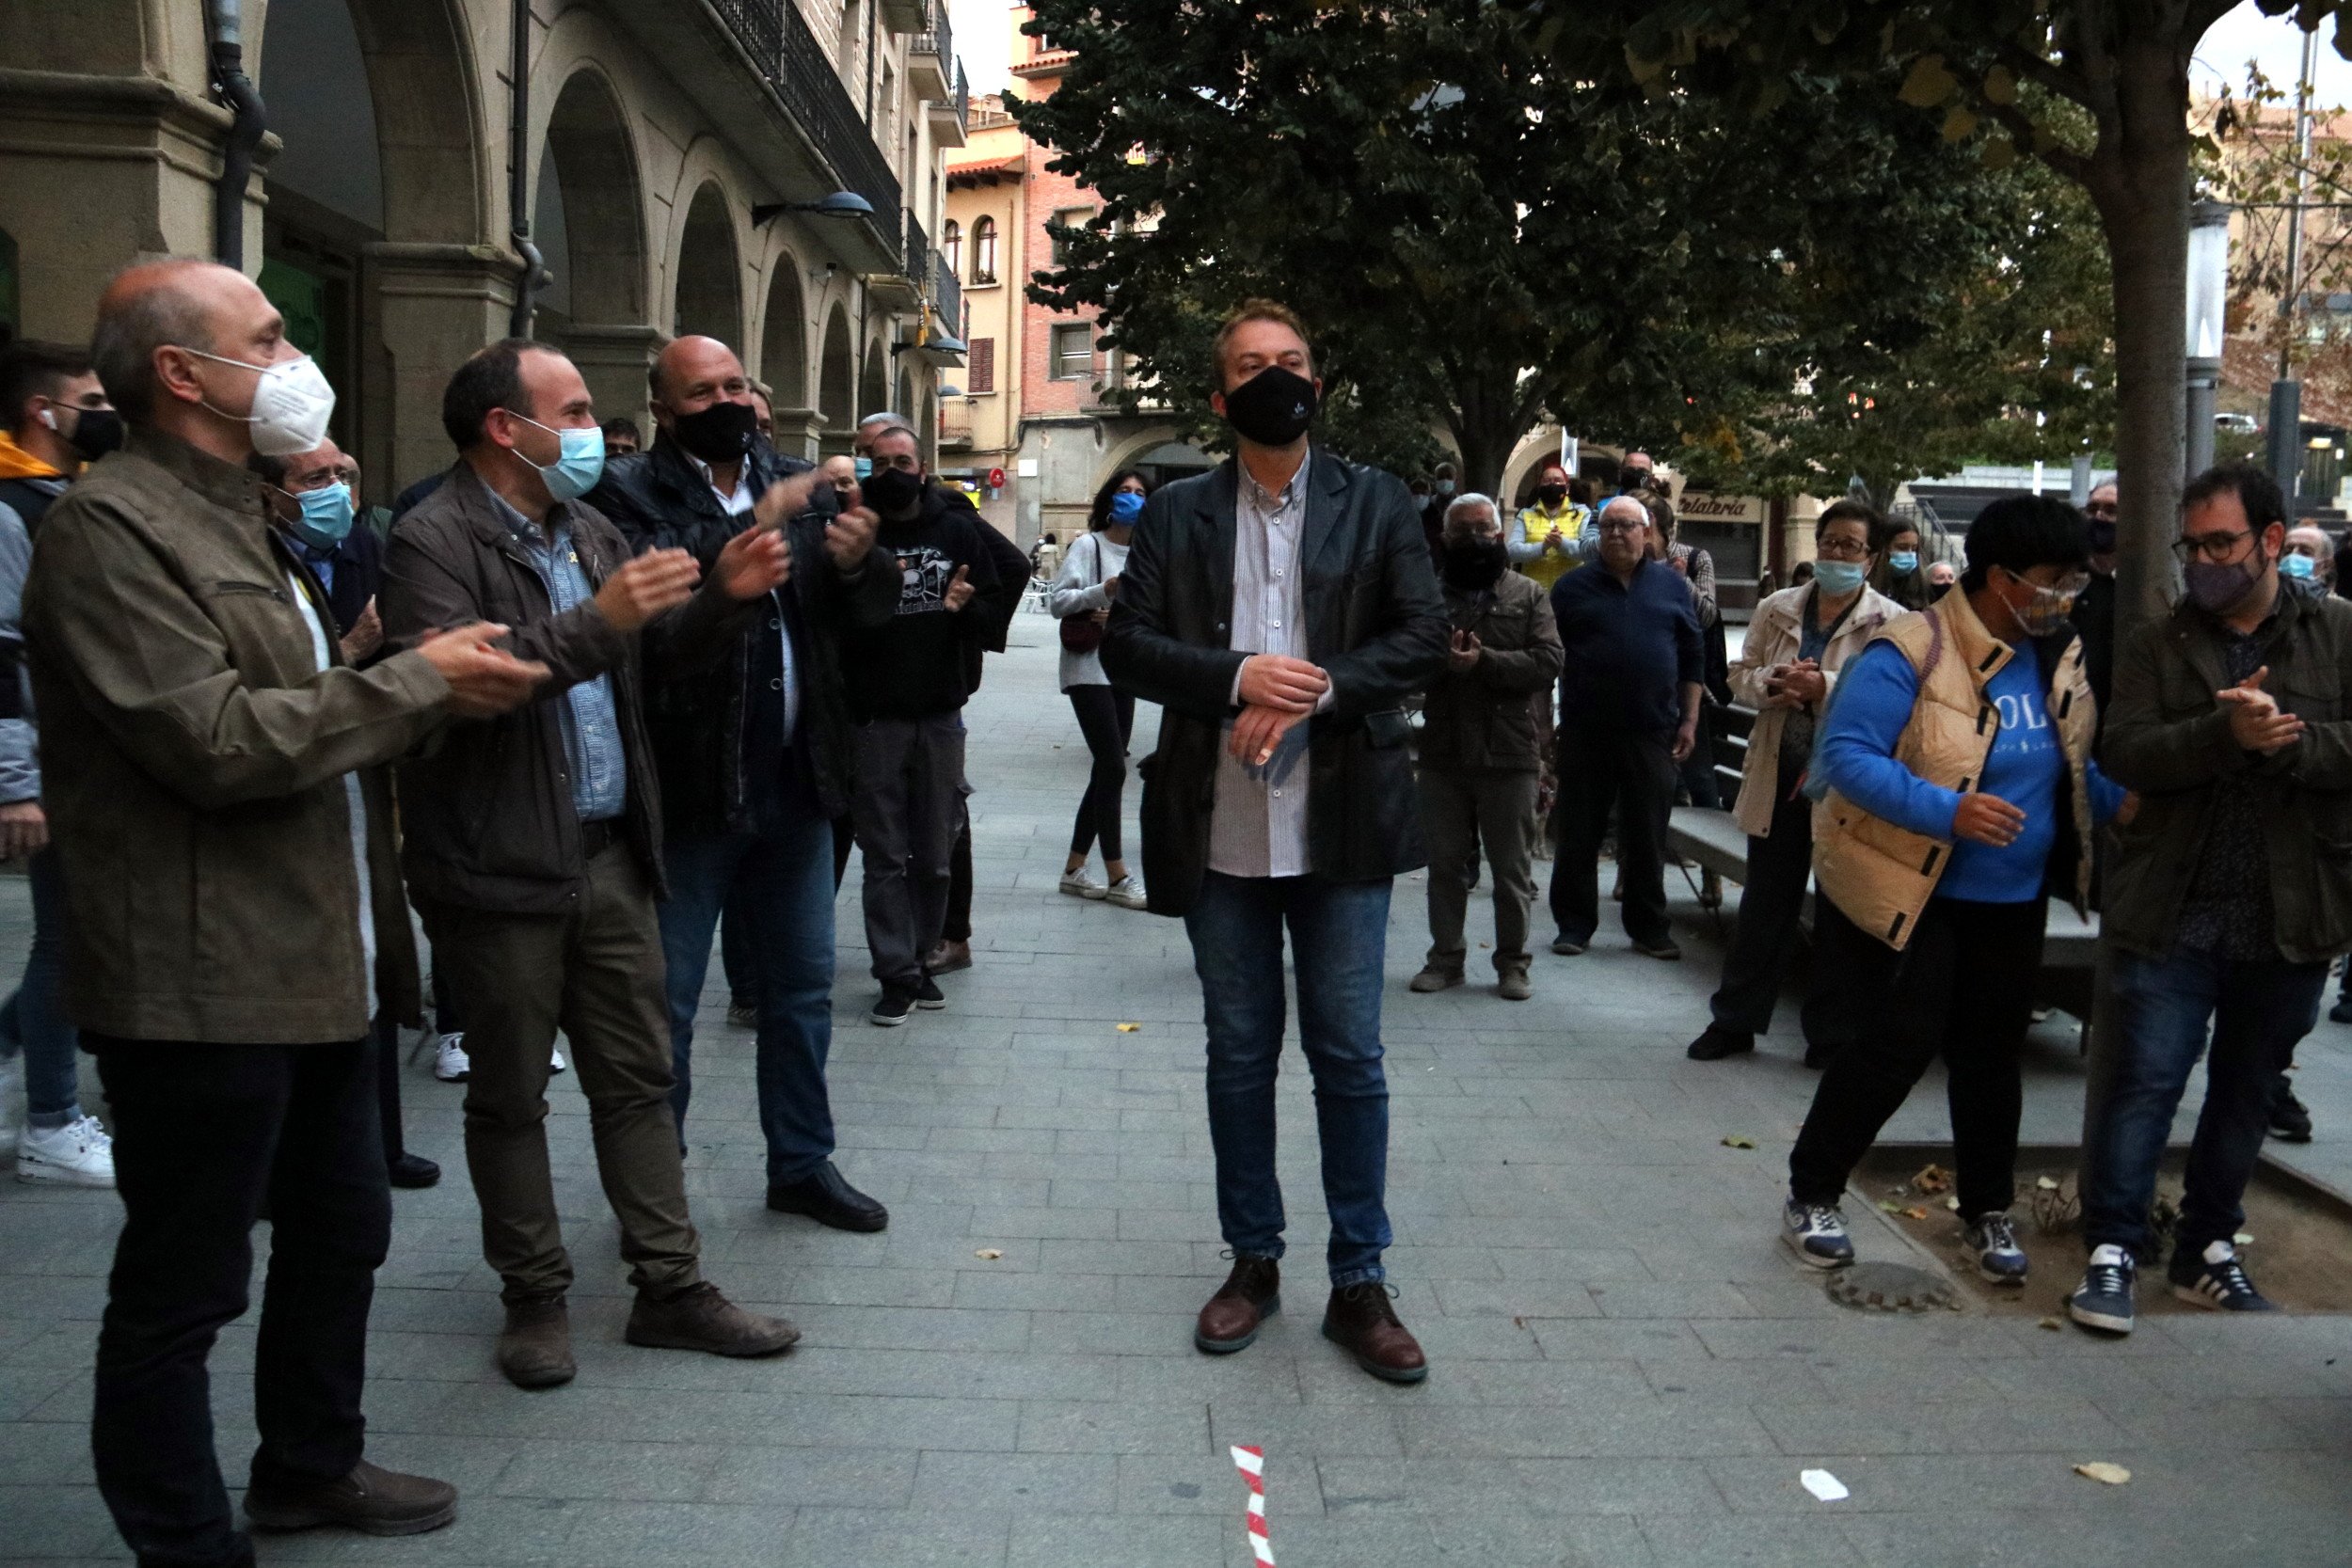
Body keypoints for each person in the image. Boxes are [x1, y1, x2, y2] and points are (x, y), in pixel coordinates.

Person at [35, 259, 551, 1563]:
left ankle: (308, 1463)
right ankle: (183, 1532)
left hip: (323, 960)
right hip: (200, 978)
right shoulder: (113, 530)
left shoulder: (247, 517)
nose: (290, 353)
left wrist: (393, 667)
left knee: (342, 1228)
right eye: (264, 336)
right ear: (181, 372)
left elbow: (296, 712)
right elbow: (210, 739)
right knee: (187, 1281)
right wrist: (409, 685)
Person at [382, 337, 802, 1389]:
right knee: (510, 1095)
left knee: (637, 1079)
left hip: (613, 853)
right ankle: (535, 1295)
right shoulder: (431, 536)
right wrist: (597, 619)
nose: (587, 428)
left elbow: (648, 661)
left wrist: (720, 600)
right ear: (503, 427)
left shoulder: (590, 526)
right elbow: (465, 680)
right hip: (500, 865)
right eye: (568, 410)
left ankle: (671, 1285)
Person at [1103, 299, 1447, 1384]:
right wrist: (1240, 678)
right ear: (1220, 398)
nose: (1273, 377)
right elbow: (1129, 645)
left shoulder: (1377, 499)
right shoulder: (1175, 513)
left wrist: (1318, 691)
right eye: (1250, 366)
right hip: (1218, 830)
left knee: (1348, 1053)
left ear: (1316, 382)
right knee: (1239, 1054)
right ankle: (1253, 1258)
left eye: (1290, 361)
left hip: (1339, 818)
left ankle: (1360, 1277)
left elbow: (1423, 636)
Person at [587, 334, 897, 1232]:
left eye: (735, 385)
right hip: (689, 796)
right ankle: (656, 1184)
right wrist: (753, 528)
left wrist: (859, 558)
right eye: (701, 391)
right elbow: (660, 639)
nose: (725, 401)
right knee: (669, 1006)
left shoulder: (799, 482)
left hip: (797, 788)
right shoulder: (625, 496)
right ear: (661, 408)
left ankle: (801, 1162)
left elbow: (864, 618)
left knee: (801, 993)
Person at [1783, 495, 2125, 1283]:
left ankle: (1986, 1207)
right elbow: (1848, 758)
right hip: (1920, 892)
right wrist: (1950, 810)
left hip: (2013, 899)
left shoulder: (2054, 652)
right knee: (1894, 1046)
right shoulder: (1910, 650)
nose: (2064, 595)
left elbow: (2068, 765)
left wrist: (2118, 796)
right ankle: (1813, 1190)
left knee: (1990, 1056)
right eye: (2052, 579)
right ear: (2001, 577)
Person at [2070, 463, 2350, 1332]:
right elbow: (2127, 752)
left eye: (2219, 543)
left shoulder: (2338, 632)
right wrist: (2223, 734)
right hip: (2174, 906)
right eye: (2192, 545)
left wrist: (2288, 744)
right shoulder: (2158, 638)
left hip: (2290, 909)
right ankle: (2113, 1249)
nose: (2203, 560)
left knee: (2247, 1087)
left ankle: (2207, 1250)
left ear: (2272, 541)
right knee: (2144, 1081)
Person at [250, 436, 440, 1190]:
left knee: (373, 966)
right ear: (268, 493)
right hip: (293, 801)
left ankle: (380, 1146)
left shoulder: (362, 543)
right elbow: (271, 696)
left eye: (343, 473)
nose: (336, 488)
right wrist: (349, 647)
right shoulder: (254, 565)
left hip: (359, 786)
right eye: (315, 477)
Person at [1687, 501, 1901, 1062]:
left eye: (1850, 546)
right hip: (1778, 775)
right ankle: (1734, 1021)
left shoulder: (1892, 621)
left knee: (1838, 912)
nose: (1835, 553)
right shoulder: (1777, 607)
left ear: (1871, 558)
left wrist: (1824, 686)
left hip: (1842, 787)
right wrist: (1774, 682)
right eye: (1828, 542)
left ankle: (1830, 1035)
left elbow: (1892, 698)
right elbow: (1737, 675)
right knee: (1765, 907)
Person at [838, 424, 1015, 1023]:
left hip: (941, 716)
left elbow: (995, 601)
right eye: (878, 462)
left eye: (902, 461)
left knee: (936, 853)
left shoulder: (957, 529)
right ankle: (895, 973)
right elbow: (833, 616)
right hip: (876, 720)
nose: (891, 471)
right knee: (885, 855)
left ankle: (920, 957)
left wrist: (967, 613)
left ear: (923, 466)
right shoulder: (856, 533)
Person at [0, 340, 119, 1184]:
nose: (106, 411)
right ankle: (50, 1120)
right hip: (47, 766)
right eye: (92, 397)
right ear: (45, 411)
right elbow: (2, 651)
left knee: (75, 936)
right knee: (64, 942)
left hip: (80, 760)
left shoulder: (64, 498)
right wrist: (20, 784)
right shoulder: (13, 511)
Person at [1410, 493, 1563, 1000]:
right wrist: (1440, 662)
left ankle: (1513, 964)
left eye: (1484, 529)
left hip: (1510, 749)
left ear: (1500, 533)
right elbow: (1400, 662)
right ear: (1445, 539)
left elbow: (1548, 662)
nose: (1475, 540)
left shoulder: (1527, 593)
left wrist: (1486, 662)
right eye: (1463, 532)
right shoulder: (1426, 595)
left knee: (1511, 869)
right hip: (1443, 748)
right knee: (1445, 866)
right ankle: (1446, 959)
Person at [1546, 495, 1703, 961]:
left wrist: (1690, 719)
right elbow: (1548, 657)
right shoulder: (1571, 588)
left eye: (1627, 526)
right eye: (1608, 525)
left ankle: (1649, 928)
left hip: (1652, 731)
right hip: (1585, 730)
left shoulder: (1672, 587)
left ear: (1647, 531)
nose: (1617, 534)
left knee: (1647, 833)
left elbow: (1692, 655)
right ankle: (1573, 925)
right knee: (1578, 833)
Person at [1049, 469, 1150, 908]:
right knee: (1112, 765)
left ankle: (1074, 869)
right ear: (1110, 500)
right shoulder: (1088, 546)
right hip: (1087, 667)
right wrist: (1100, 591)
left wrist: (1123, 619)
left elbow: (1153, 615)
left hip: (1123, 670)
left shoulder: (1146, 554)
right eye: (1125, 492)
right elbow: (1058, 602)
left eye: (1140, 493)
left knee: (1106, 771)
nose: (1132, 499)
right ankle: (1118, 874)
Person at [2074, 482, 2119, 714]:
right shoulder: (2067, 577)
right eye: (2092, 509)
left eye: (2112, 511)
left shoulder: (2143, 581)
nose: (2099, 516)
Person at [1509, 457, 1585, 594]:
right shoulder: (1525, 514)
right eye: (1547, 481)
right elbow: (1513, 552)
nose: (1552, 484)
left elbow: (1588, 550)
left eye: (1557, 480)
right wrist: (1542, 547)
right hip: (1533, 592)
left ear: (1567, 488)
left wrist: (1562, 544)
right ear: (1539, 486)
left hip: (1572, 592)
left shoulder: (1582, 513)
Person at [1869, 516, 1932, 610]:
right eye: (1902, 547)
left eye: (1914, 548)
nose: (1909, 553)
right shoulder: (1867, 584)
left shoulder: (1924, 586)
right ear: (1884, 547)